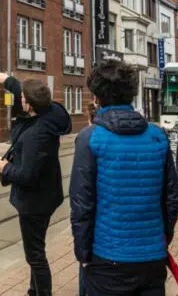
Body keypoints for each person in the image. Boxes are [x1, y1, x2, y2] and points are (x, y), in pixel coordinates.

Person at [70, 60, 178, 296]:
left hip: (107, 257)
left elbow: (82, 204)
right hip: (152, 257)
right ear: (132, 93)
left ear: (97, 98)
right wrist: (162, 238)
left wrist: (83, 254)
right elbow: (172, 197)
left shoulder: (90, 138)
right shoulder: (158, 136)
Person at [0, 72, 71, 296]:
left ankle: (41, 292)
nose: (20, 100)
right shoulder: (50, 115)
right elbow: (29, 93)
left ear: (30, 104)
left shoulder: (35, 136)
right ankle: (34, 290)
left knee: (35, 255)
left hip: (34, 203)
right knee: (37, 248)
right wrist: (9, 81)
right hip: (47, 195)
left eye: (23, 99)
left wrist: (4, 168)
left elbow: (27, 175)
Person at [78, 102, 97, 296]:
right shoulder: (155, 136)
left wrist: (81, 248)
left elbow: (80, 197)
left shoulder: (86, 137)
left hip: (97, 233)